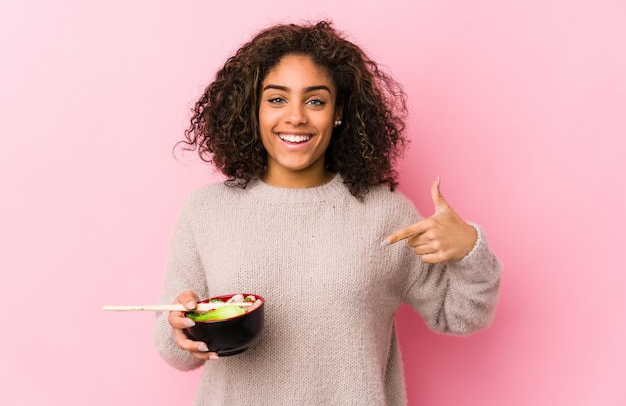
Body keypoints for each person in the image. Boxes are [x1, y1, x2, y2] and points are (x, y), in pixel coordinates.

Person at [153, 21, 502, 406]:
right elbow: (174, 350)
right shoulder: (207, 211)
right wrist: (180, 328)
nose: (296, 117)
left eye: (315, 101)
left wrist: (469, 250)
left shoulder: (384, 215)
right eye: (277, 99)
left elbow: (462, 316)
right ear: (252, 109)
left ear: (339, 113)